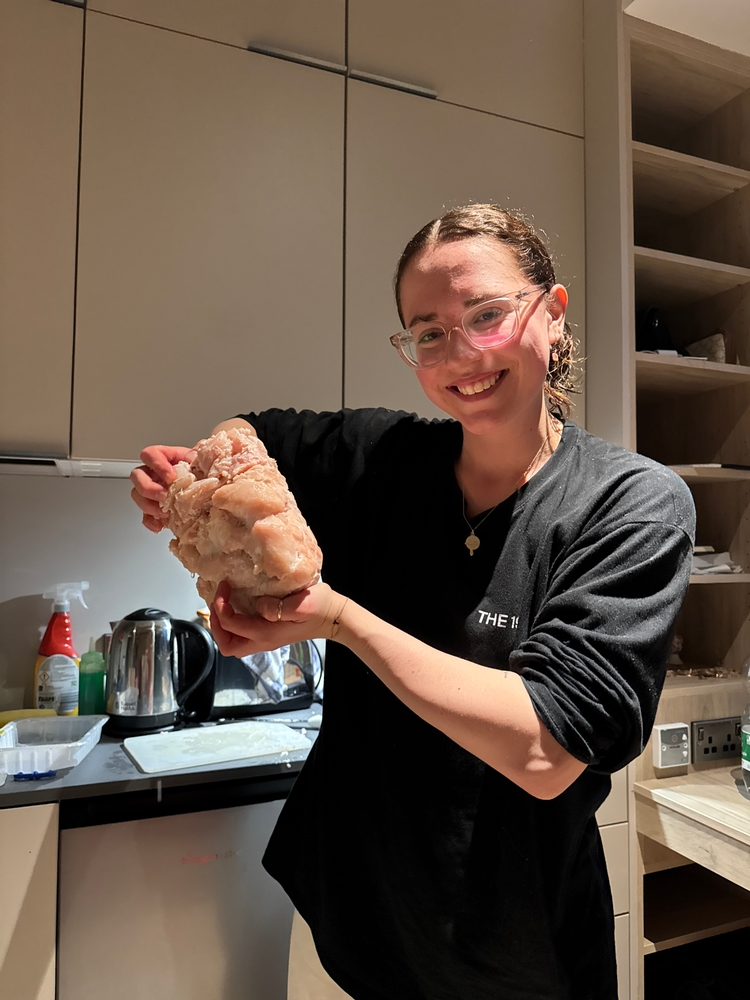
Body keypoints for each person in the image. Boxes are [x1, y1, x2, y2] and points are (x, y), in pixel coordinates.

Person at [131, 204, 695, 1000]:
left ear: (553, 313)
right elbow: (254, 430)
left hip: (509, 959)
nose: (460, 353)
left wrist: (340, 620)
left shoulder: (629, 504)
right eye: (428, 333)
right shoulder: (385, 459)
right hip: (344, 937)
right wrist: (207, 471)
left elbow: (544, 750)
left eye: (487, 315)